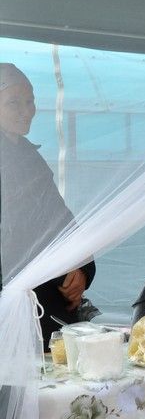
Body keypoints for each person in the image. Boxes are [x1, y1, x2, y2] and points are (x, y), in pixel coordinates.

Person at [0, 63, 95, 347]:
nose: (26, 110)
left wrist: (80, 268)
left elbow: (58, 218)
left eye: (29, 101)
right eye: (13, 102)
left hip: (41, 293)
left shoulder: (29, 157)